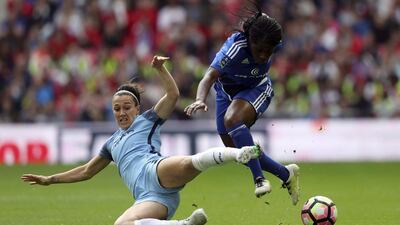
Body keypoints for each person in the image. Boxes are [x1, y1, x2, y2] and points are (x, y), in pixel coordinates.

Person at [21, 55, 263, 225]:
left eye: (127, 107)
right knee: (122, 224)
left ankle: (238, 154)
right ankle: (184, 224)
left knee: (191, 163)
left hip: (156, 171)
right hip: (151, 198)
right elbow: (86, 171)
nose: (122, 112)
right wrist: (49, 179)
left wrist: (160, 69)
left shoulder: (147, 120)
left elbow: (172, 95)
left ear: (137, 109)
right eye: (116, 109)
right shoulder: (111, 144)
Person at [184, 4, 300, 204]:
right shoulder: (234, 49)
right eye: (260, 50)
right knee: (238, 151)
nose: (264, 56)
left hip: (257, 89)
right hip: (225, 94)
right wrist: (200, 99)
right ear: (249, 41)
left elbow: (266, 26)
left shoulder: (271, 39)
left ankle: (259, 179)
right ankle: (286, 174)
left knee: (233, 119)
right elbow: (209, 76)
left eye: (268, 52)